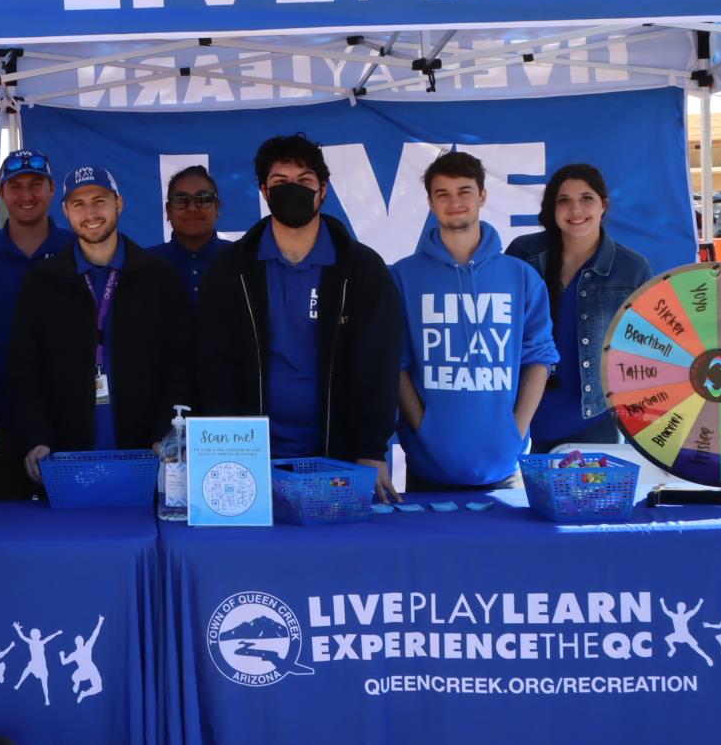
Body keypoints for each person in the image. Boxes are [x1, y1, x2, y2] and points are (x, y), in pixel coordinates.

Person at [198, 135, 402, 494]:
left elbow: (379, 365)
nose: (293, 190)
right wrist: (228, 450)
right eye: (280, 183)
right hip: (249, 459)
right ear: (263, 191)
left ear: (323, 190)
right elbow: (214, 364)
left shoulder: (363, 268)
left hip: (339, 455)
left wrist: (371, 449)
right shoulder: (231, 268)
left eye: (305, 181)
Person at [6, 164, 193, 488]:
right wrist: (37, 438)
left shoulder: (159, 277)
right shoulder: (41, 282)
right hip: (65, 461)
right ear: (65, 211)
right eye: (78, 204)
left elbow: (181, 364)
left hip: (147, 458)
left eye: (99, 201)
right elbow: (24, 369)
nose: (90, 213)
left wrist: (164, 434)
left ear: (118, 203)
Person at [392, 150, 556, 492]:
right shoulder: (403, 277)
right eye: (443, 194)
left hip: (505, 467)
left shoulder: (521, 277)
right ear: (430, 202)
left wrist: (517, 430)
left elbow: (538, 357)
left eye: (464, 191)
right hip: (428, 470)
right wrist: (423, 428)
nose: (455, 202)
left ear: (482, 195)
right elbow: (396, 363)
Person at [505, 165, 653, 449]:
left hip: (594, 420)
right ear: (552, 207)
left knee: (592, 494)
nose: (575, 209)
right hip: (519, 416)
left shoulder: (631, 268)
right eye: (564, 200)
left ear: (603, 206)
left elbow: (646, 351)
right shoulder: (523, 255)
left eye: (586, 198)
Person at [0, 148, 72, 499]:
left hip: (66, 413)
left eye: (35, 185)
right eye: (15, 186)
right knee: (3, 525)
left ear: (52, 189)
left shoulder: (77, 249)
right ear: (0, 193)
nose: (26, 195)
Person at [152, 165, 224, 304]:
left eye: (203, 199)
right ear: (168, 210)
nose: (192, 208)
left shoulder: (240, 260)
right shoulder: (145, 264)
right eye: (181, 200)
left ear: (217, 207)